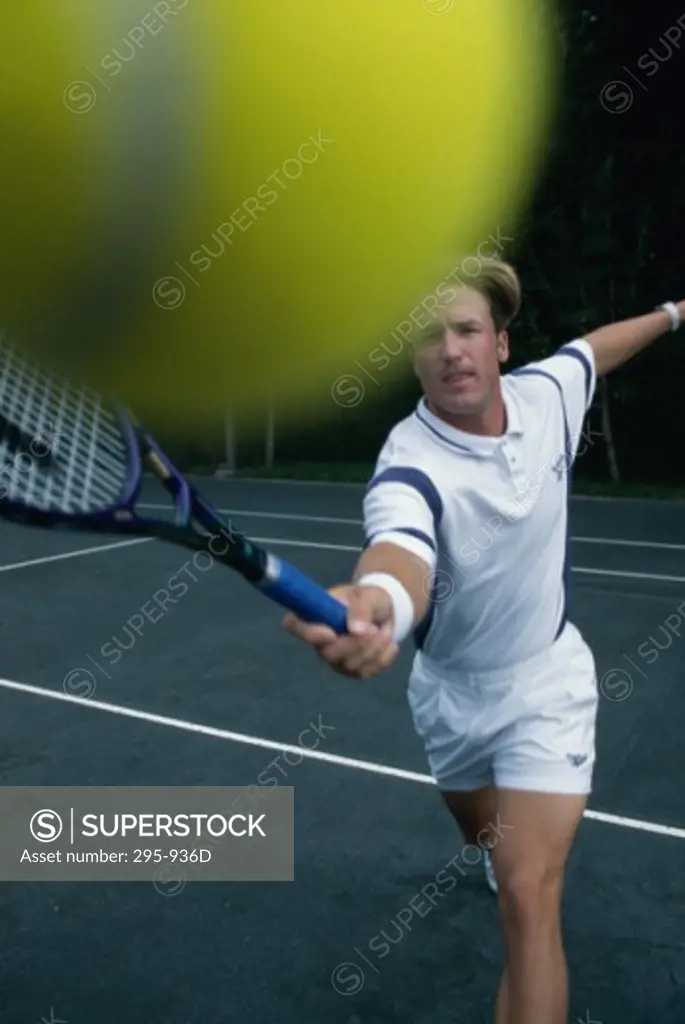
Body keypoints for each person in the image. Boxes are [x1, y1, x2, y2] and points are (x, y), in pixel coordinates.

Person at [283, 258, 684, 1024]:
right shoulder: (409, 462)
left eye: (466, 329)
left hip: (546, 684)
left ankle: (519, 876)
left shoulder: (547, 393)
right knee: (486, 844)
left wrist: (671, 311)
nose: (449, 349)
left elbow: (594, 348)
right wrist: (377, 604)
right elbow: (400, 554)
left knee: (529, 897)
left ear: (500, 346)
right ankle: (501, 853)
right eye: (429, 336)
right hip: (448, 696)